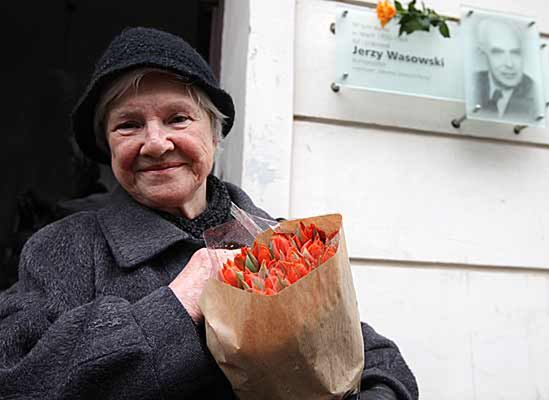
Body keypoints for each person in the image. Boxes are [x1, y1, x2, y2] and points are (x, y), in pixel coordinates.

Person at [0, 27, 418, 400]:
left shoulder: (274, 239)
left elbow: (375, 359)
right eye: (128, 125)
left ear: (215, 134)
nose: (156, 143)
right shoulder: (62, 249)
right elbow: (17, 380)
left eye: (178, 118)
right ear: (108, 147)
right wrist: (177, 303)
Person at [473, 18, 537, 120]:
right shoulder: (472, 84)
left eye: (515, 53)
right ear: (483, 53)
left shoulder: (534, 94)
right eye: (498, 53)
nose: (509, 64)